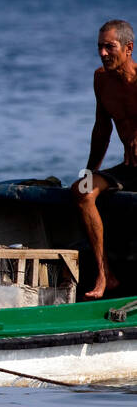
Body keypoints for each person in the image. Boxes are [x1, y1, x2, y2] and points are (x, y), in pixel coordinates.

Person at [70, 19, 137, 298]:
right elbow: (101, 130)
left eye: (109, 47)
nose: (103, 53)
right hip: (131, 169)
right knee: (82, 191)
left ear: (128, 48)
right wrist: (89, 171)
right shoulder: (101, 79)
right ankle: (104, 275)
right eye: (100, 47)